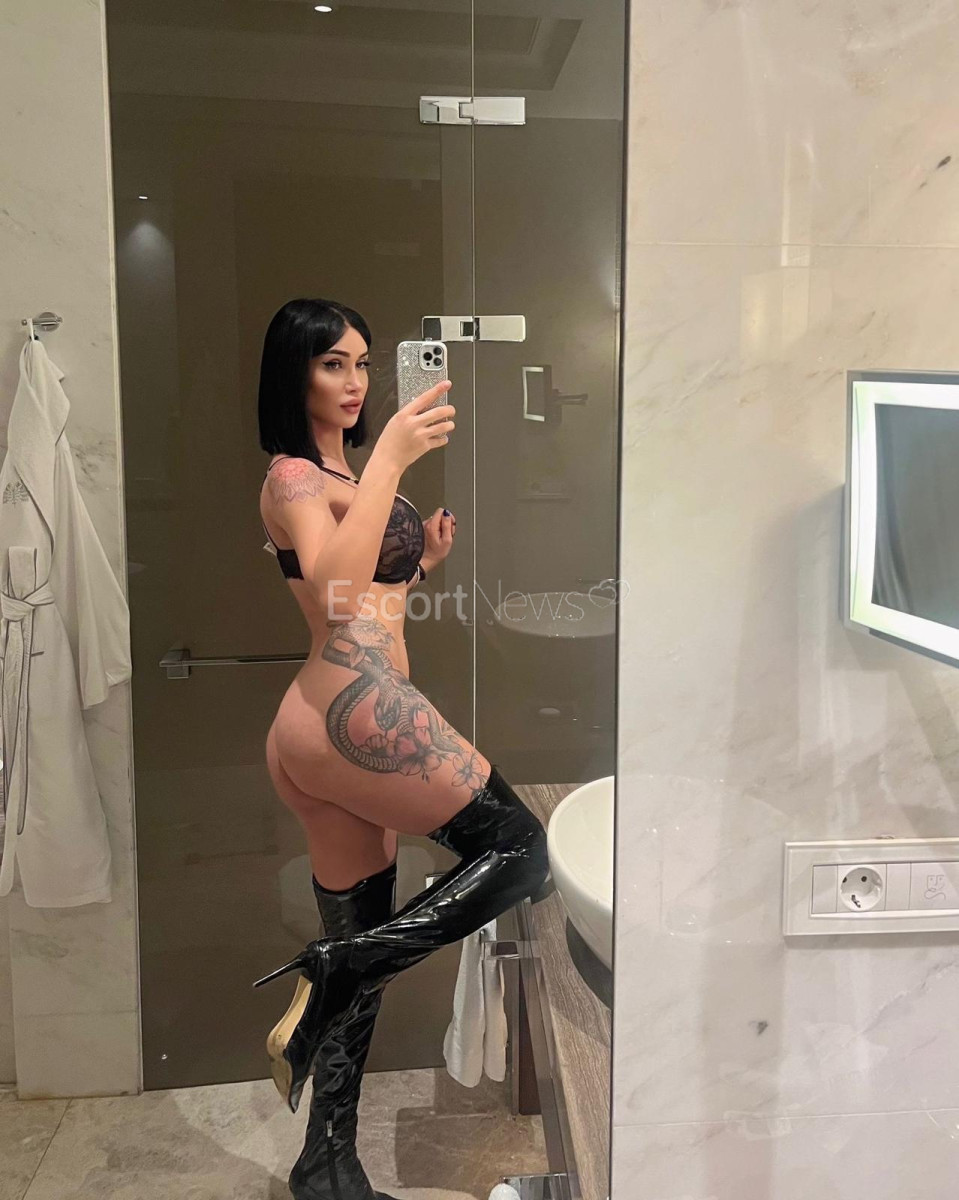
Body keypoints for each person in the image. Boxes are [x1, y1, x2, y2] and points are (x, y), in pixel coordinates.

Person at [255, 298, 550, 1200]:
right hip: (353, 709)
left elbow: (368, 586)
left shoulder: (337, 472)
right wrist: (390, 457)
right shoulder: (294, 477)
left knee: (361, 928)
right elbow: (334, 595)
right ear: (293, 373)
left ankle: (326, 1167)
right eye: (331, 364)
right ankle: (342, 965)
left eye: (361, 362)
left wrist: (419, 564)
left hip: (331, 721)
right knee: (523, 849)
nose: (354, 382)